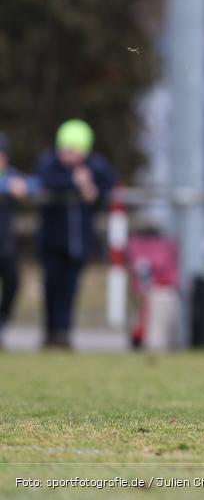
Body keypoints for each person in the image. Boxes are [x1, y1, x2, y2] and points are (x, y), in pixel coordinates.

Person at [36, 120, 115, 349]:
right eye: (65, 149)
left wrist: (92, 189)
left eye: (73, 150)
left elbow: (108, 185)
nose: (67, 155)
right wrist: (74, 181)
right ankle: (50, 332)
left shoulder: (96, 166)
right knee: (51, 287)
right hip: (51, 242)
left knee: (70, 289)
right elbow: (45, 180)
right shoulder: (50, 164)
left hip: (79, 243)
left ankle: (63, 333)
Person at [0, 132, 38, 341]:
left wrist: (23, 187)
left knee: (12, 282)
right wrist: (7, 187)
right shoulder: (7, 182)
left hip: (4, 246)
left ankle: (2, 321)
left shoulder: (11, 175)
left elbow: (35, 184)